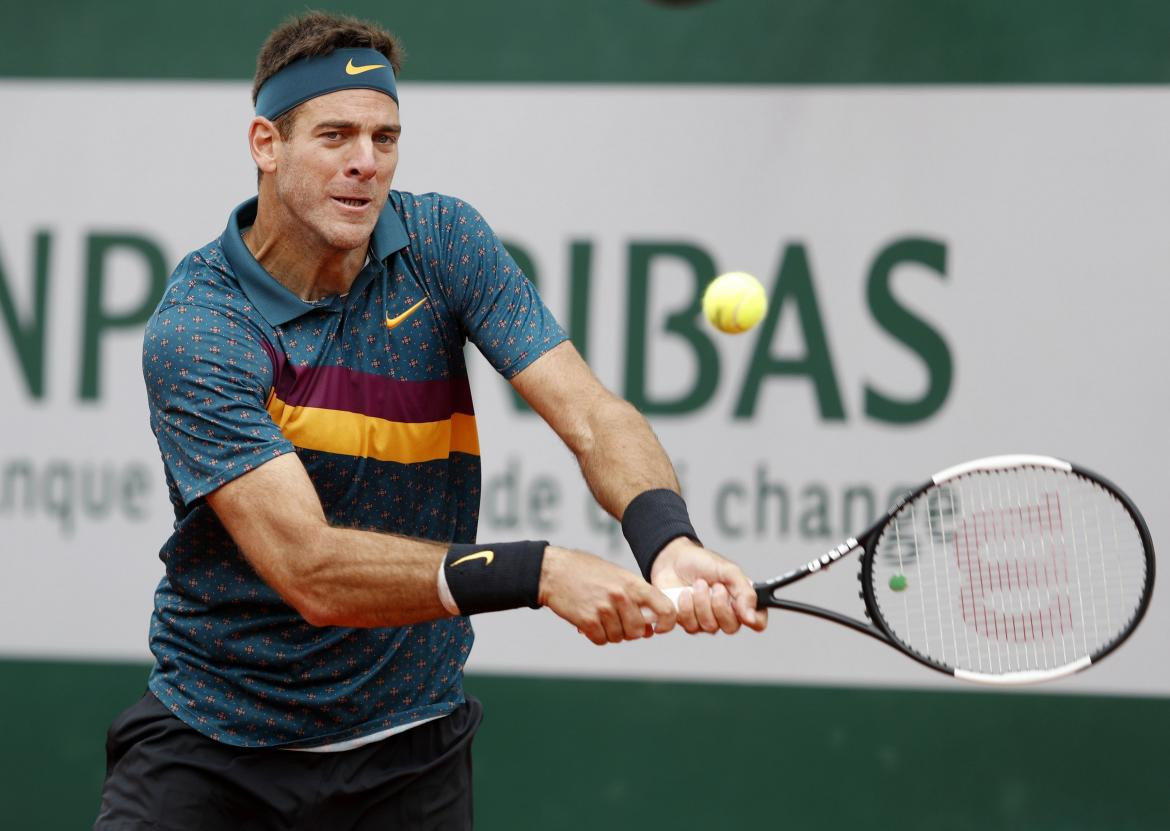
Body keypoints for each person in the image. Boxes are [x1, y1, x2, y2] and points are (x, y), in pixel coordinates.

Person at [95, 11, 766, 829]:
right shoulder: (202, 328)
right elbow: (311, 570)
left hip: (409, 753)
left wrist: (668, 538)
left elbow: (591, 414)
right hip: (214, 749)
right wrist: (539, 571)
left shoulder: (442, 241)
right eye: (335, 136)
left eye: (385, 137)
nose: (364, 165)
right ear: (265, 144)